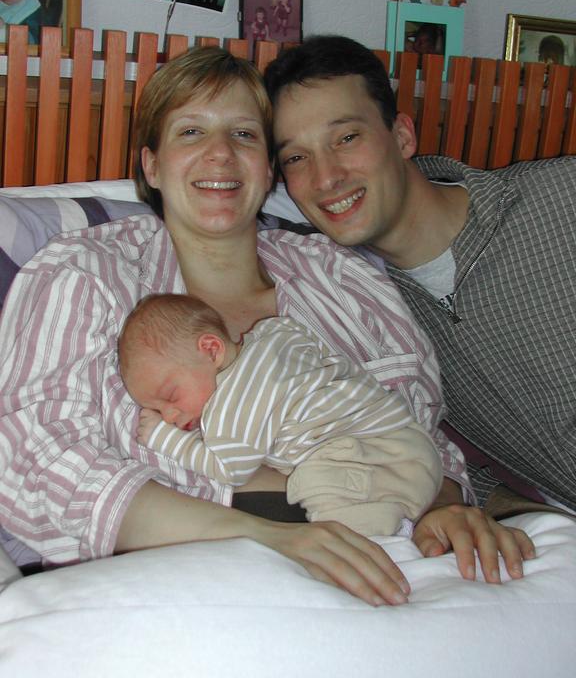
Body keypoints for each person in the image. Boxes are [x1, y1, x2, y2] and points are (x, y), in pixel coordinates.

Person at [0, 46, 532, 607]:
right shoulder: (87, 272)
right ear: (152, 166)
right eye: (190, 133)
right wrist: (270, 539)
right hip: (176, 584)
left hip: (387, 564)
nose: (220, 154)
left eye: (245, 135)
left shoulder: (343, 280)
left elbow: (422, 427)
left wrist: (448, 509)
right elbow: (32, 460)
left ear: (269, 169)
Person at [264, 33, 576, 522]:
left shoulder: (560, 199)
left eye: (346, 138)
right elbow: (436, 453)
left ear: (403, 136)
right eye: (296, 158)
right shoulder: (364, 318)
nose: (326, 178)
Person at [119, 293, 443, 536]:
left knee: (326, 512)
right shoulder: (273, 334)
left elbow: (230, 468)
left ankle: (386, 546)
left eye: (170, 397)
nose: (171, 416)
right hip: (409, 439)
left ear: (212, 350)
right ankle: (392, 525)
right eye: (159, 412)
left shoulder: (233, 402)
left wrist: (166, 439)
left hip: (359, 455)